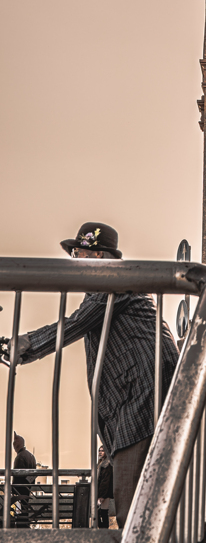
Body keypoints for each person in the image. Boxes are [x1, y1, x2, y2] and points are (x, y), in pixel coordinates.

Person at [9, 222, 179, 530]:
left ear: (101, 256)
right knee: (158, 480)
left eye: (80, 253)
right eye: (74, 254)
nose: (75, 261)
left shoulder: (114, 281)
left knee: (130, 498)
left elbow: (76, 323)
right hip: (136, 395)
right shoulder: (108, 287)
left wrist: (27, 343)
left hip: (142, 393)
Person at [11, 432, 36, 528]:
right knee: (24, 509)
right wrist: (28, 483)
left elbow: (18, 476)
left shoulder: (20, 457)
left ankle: (21, 527)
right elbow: (34, 474)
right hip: (27, 489)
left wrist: (14, 489)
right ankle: (24, 525)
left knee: (19, 510)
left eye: (14, 444)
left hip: (20, 490)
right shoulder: (31, 456)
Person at [97, 444, 114, 528]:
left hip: (104, 493)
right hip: (101, 492)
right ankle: (103, 530)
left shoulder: (107, 465)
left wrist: (101, 495)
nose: (100, 452)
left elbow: (105, 481)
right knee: (101, 512)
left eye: (102, 451)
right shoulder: (101, 464)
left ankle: (104, 531)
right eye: (99, 450)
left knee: (103, 512)